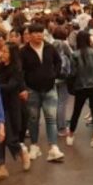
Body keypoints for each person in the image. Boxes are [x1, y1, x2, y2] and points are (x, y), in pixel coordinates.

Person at [21, 23, 65, 162]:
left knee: (51, 118)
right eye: (35, 32)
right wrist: (23, 88)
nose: (39, 35)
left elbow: (58, 61)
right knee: (33, 120)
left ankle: (53, 147)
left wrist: (54, 74)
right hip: (32, 90)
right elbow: (20, 71)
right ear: (29, 35)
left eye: (41, 32)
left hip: (50, 88)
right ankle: (34, 146)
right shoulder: (24, 52)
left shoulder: (49, 48)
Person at [0, 43, 31, 180]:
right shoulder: (1, 66)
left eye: (6, 52)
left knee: (8, 137)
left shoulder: (16, 69)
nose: (3, 54)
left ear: (12, 54)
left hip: (11, 106)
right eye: (2, 51)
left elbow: (12, 86)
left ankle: (21, 150)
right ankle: (1, 167)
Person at [68, 30, 93, 149]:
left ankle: (71, 135)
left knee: (76, 111)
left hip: (80, 86)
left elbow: (72, 73)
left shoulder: (74, 55)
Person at [50, 26, 74, 138]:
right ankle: (61, 127)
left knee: (54, 102)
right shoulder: (64, 44)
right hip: (63, 78)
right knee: (62, 103)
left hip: (53, 77)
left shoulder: (50, 44)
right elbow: (72, 56)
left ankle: (54, 125)